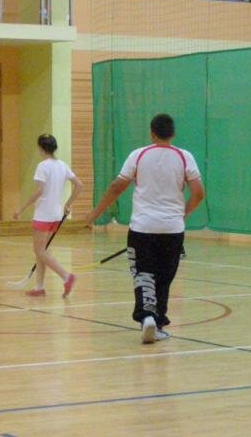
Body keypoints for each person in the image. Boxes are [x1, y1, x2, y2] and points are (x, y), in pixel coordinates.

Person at [86, 114, 205, 344]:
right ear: (173, 134)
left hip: (142, 228)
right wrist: (183, 215)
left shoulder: (138, 155)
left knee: (143, 274)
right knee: (164, 277)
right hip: (172, 229)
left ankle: (147, 318)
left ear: (152, 133)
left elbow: (117, 186)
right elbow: (199, 193)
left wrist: (95, 213)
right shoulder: (184, 157)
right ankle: (157, 323)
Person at [13, 134, 82, 297]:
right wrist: (68, 204)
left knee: (39, 251)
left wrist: (21, 209)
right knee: (42, 251)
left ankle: (66, 276)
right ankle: (39, 287)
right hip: (56, 215)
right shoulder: (62, 165)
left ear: (41, 148)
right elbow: (79, 185)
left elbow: (40, 191)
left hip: (44, 214)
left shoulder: (42, 166)